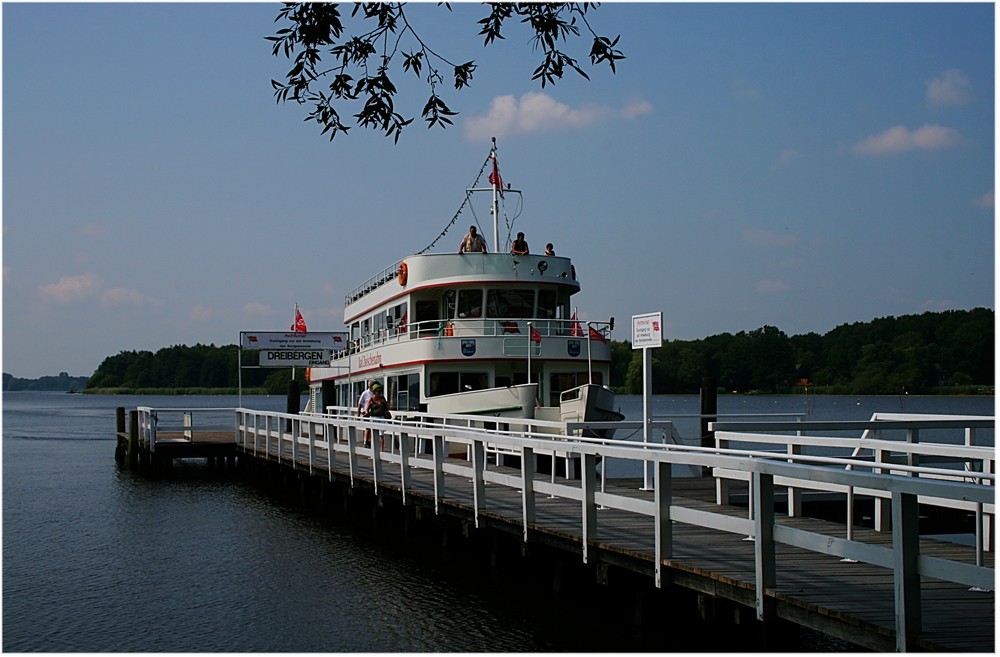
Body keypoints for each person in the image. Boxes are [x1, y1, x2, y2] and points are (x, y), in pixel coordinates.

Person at [363, 383, 392, 449]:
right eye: (378, 391)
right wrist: (366, 413)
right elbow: (367, 409)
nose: (379, 393)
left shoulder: (382, 399)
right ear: (374, 392)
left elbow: (387, 408)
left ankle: (382, 450)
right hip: (373, 418)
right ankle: (372, 448)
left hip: (381, 418)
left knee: (381, 435)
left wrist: (385, 405)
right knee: (373, 434)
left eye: (380, 391)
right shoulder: (371, 399)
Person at [357, 380, 376, 446]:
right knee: (368, 428)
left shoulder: (376, 393)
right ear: (369, 386)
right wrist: (358, 415)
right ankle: (367, 441)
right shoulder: (365, 393)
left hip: (374, 413)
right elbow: (360, 404)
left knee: (372, 428)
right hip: (366, 413)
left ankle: (370, 442)